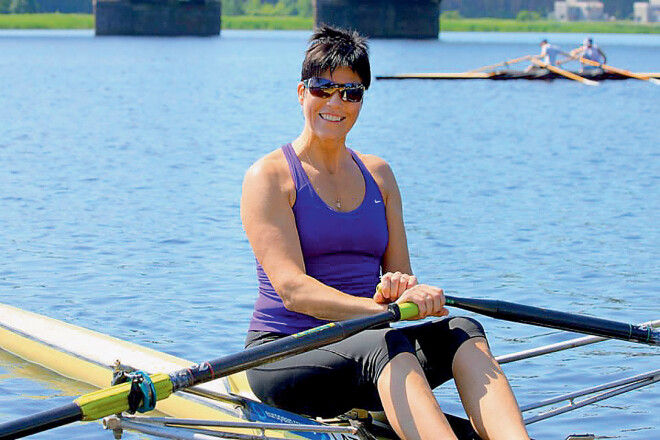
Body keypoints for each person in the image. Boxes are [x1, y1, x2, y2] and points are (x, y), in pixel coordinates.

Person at [240, 25, 530, 440]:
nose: (336, 103)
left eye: (351, 93)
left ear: (361, 102)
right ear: (301, 92)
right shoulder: (268, 177)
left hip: (367, 347)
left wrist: (404, 290)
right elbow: (293, 290)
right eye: (324, 88)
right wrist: (376, 312)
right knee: (387, 344)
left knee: (464, 330)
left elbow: (400, 279)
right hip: (284, 352)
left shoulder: (379, 176)